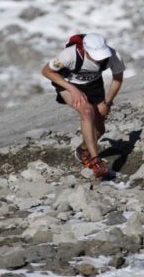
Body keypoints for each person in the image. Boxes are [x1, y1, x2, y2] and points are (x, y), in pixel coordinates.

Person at [42, 33, 126, 178]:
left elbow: (117, 78)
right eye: (96, 56)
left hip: (94, 86)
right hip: (69, 84)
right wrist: (73, 90)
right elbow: (47, 71)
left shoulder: (114, 56)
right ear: (86, 50)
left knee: (100, 129)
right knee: (87, 112)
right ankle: (96, 160)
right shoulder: (69, 55)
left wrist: (107, 103)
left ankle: (82, 150)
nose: (100, 60)